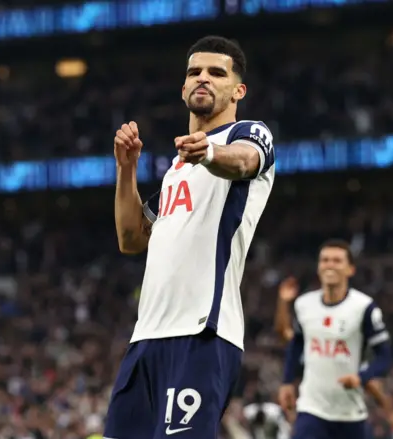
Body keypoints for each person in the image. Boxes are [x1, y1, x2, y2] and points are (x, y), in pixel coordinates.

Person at [107, 35, 275, 439]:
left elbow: (246, 162)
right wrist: (126, 170)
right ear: (183, 88)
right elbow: (131, 239)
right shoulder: (174, 173)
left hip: (202, 334)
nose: (203, 78)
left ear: (238, 90)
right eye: (194, 72)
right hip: (146, 337)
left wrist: (210, 154)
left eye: (217, 73)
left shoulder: (248, 134)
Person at [278, 240, 392, 439]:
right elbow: (296, 343)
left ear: (350, 269)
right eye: (325, 260)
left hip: (349, 414)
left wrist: (361, 377)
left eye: (337, 261)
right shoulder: (304, 304)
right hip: (311, 409)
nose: (330, 265)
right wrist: (287, 381)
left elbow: (385, 357)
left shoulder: (364, 308)